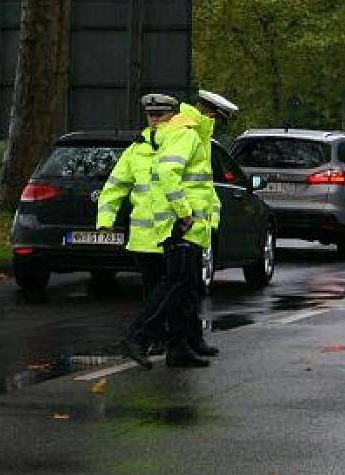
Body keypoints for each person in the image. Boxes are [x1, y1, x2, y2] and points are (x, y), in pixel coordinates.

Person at [96, 93, 180, 370]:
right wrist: (105, 220)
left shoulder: (178, 143)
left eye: (161, 114)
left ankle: (161, 338)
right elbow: (115, 185)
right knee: (157, 290)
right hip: (144, 237)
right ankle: (154, 338)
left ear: (173, 115)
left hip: (172, 232)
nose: (155, 120)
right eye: (151, 115)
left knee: (169, 289)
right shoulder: (136, 150)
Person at [172, 90, 240, 357]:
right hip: (183, 226)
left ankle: (192, 340)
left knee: (192, 289)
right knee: (181, 289)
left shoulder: (199, 136)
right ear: (210, 113)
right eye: (217, 118)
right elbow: (172, 176)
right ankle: (169, 343)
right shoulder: (188, 134)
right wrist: (184, 213)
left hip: (195, 227)